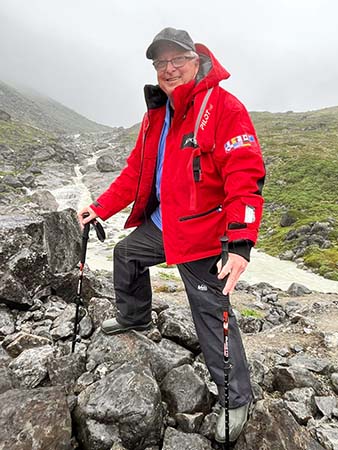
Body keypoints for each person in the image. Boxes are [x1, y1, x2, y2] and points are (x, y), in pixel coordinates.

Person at [78, 27, 265, 443]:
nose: (169, 69)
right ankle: (134, 316)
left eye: (177, 59)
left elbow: (245, 175)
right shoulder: (157, 115)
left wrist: (239, 242)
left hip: (203, 235)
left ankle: (236, 398)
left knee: (210, 312)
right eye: (160, 63)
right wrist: (99, 207)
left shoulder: (223, 107)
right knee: (127, 254)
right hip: (164, 226)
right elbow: (134, 173)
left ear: (195, 59)